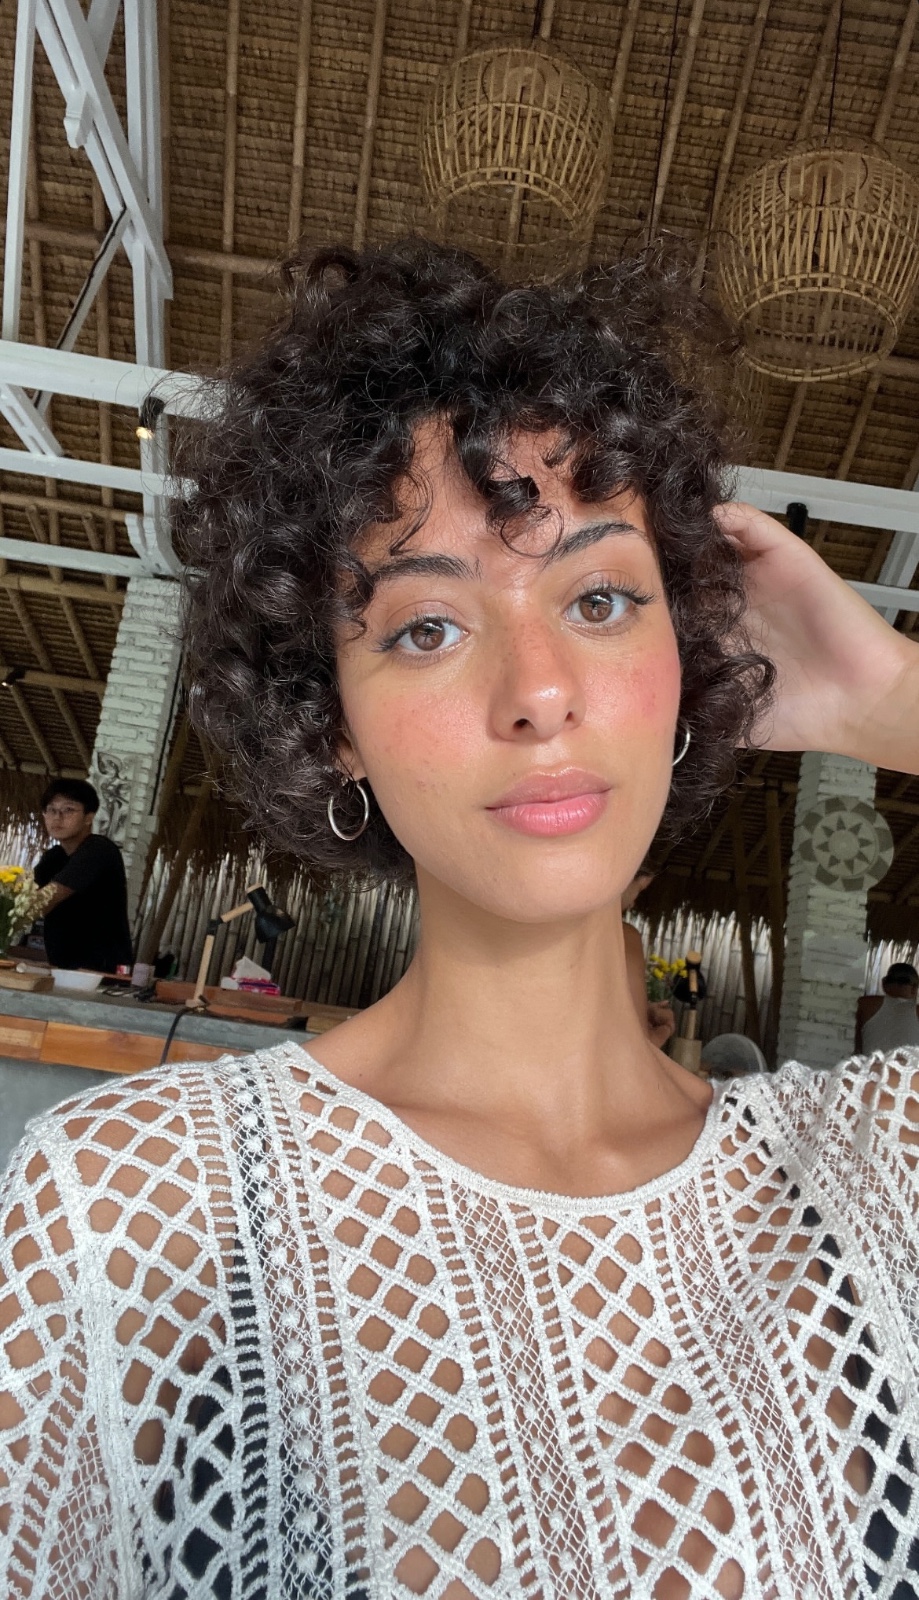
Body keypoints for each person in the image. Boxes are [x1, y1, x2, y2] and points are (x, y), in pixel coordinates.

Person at [1, 241, 918, 1598]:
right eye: (425, 626)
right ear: (334, 720)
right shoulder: (138, 1210)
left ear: (684, 661)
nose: (538, 689)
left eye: (600, 599)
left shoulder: (881, 1169)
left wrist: (888, 697)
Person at [33, 777, 133, 973]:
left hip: (101, 969)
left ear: (89, 817)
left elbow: (46, 898)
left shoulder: (99, 849)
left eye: (68, 810)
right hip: (62, 965)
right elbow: (28, 897)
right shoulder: (53, 857)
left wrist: (10, 911)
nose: (57, 817)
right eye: (51, 810)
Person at [621, 867, 677, 1048]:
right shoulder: (624, 938)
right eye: (639, 890)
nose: (633, 903)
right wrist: (666, 1029)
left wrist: (644, 1009)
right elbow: (638, 1045)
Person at [860, 961, 919, 1054]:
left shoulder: (866, 1004)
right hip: (904, 1063)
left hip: (871, 1062)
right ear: (914, 988)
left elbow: (858, 1048)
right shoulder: (916, 1011)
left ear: (884, 983)